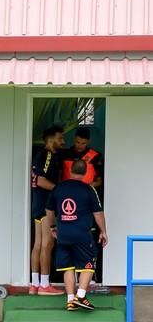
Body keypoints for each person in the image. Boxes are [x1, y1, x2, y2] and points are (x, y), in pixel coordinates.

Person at [45, 159, 108, 311]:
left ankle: (70, 300)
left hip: (63, 234)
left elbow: (48, 210)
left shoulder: (58, 188)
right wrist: (104, 231)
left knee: (68, 267)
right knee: (88, 264)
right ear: (85, 172)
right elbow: (98, 213)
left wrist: (53, 226)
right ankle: (81, 295)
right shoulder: (88, 189)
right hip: (82, 234)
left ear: (70, 170)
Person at [29, 125, 65, 295]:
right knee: (47, 244)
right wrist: (59, 189)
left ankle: (34, 284)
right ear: (51, 139)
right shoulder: (47, 155)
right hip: (45, 206)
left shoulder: (38, 155)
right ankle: (44, 285)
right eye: (60, 138)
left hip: (37, 205)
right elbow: (42, 181)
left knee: (37, 244)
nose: (63, 141)